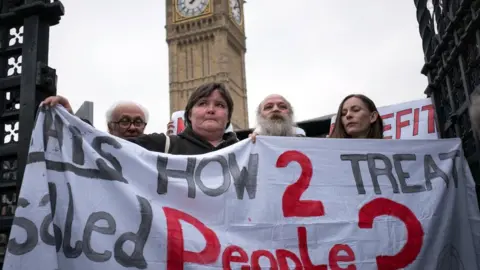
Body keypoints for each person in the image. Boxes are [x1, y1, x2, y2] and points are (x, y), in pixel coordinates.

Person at [40, 82, 239, 155]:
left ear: (228, 116)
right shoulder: (164, 145)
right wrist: (71, 118)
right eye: (203, 103)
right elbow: (104, 145)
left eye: (220, 105)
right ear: (189, 114)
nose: (211, 110)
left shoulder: (246, 151)